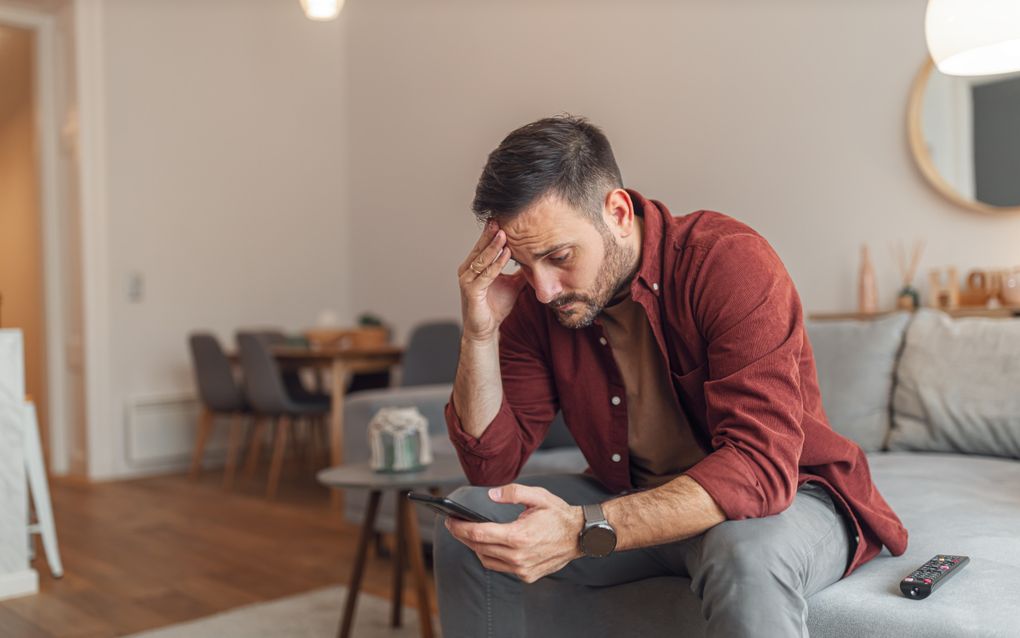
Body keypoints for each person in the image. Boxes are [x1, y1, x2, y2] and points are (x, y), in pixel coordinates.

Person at [434, 114, 907, 637]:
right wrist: (479, 333)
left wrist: (585, 527)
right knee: (473, 516)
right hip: (636, 494)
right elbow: (491, 466)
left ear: (616, 212)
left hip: (789, 498)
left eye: (559, 256)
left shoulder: (725, 261)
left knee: (742, 552)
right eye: (523, 265)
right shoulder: (539, 304)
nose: (544, 289)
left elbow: (759, 469)